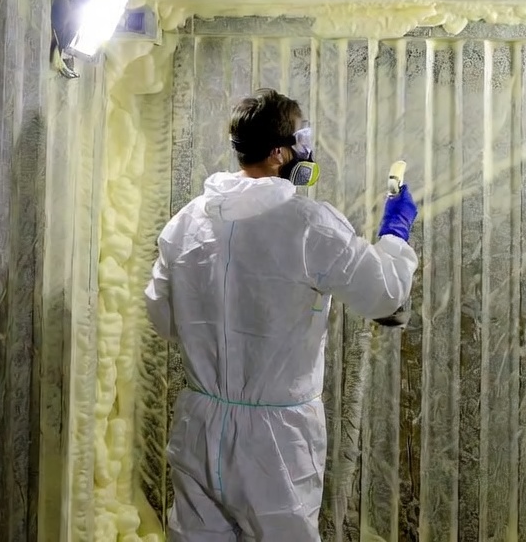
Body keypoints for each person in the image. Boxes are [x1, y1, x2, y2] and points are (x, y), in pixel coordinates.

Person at [143, 88, 420, 541]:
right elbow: (387, 295)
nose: (305, 150)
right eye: (301, 138)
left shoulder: (187, 222)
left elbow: (163, 319)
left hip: (199, 424)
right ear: (278, 153)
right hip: (273, 443)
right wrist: (395, 234)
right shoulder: (309, 224)